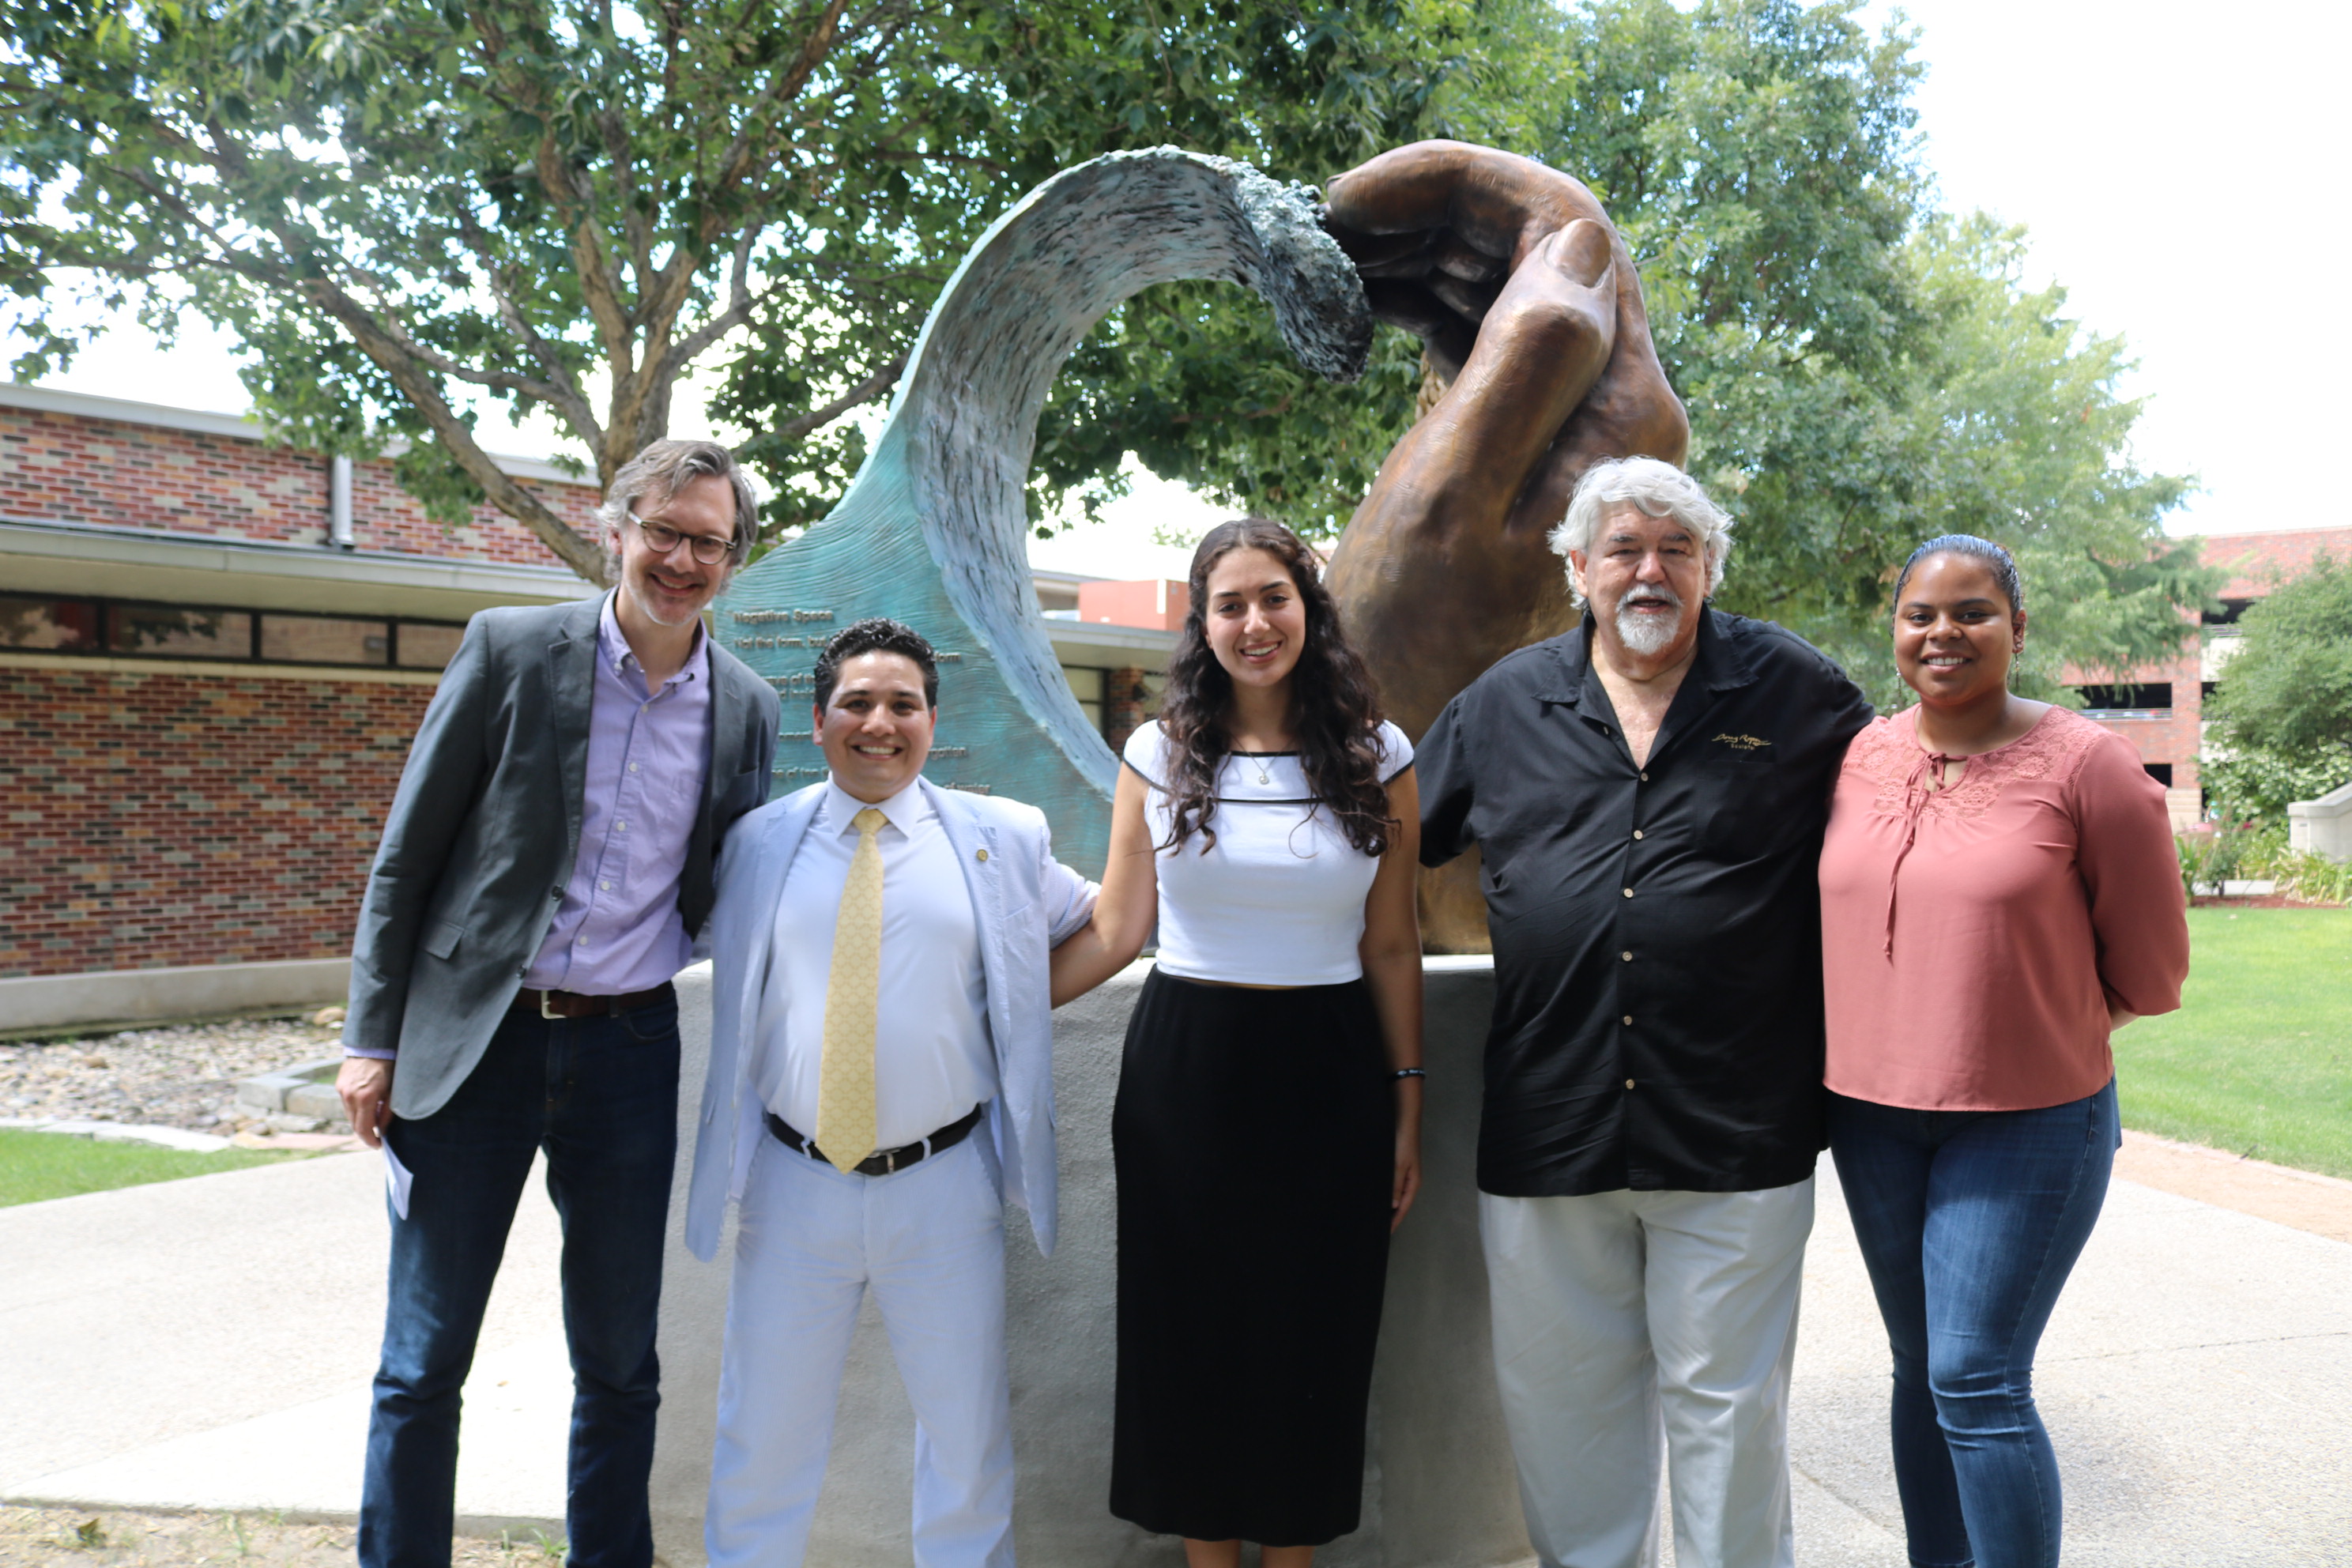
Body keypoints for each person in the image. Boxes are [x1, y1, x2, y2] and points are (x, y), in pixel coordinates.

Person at [1415, 457, 1875, 1568]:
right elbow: (1382, 844)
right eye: (1623, 548)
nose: (1649, 571)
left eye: (1677, 548)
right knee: (1567, 1422)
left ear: (1711, 566)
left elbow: (1909, 835)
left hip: (1736, 1130)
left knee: (1731, 1425)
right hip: (1552, 1124)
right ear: (1578, 568)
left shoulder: (1800, 694)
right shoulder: (1502, 704)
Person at [335, 439, 780, 1568]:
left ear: (736, 557)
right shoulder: (512, 649)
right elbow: (408, 858)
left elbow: (732, 881)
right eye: (665, 530)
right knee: (424, 1359)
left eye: (709, 542)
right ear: (615, 526)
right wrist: (369, 1038)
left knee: (622, 1363)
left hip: (629, 1050)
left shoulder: (750, 709)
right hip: (474, 1045)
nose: (683, 559)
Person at [1047, 516, 1426, 1568]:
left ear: (1310, 607)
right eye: (1230, 604)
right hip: (1188, 1077)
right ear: (1201, 623)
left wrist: (1408, 1102)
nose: (1255, 623)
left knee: (1317, 1332)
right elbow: (1119, 930)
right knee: (1191, 1337)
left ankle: (1294, 1557)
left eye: (1274, 598)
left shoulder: (1380, 756)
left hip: (1333, 1071)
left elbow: (1392, 946)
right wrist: (992, 1006)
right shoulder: (1157, 753)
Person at [683, 616, 1098, 1568]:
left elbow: (1102, 927)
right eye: (857, 703)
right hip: (795, 1181)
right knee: (763, 1435)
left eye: (902, 703)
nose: (881, 722)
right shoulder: (756, 843)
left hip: (945, 1182)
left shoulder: (1001, 835)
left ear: (931, 720)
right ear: (821, 722)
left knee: (964, 1439)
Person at [1817, 535, 2188, 1568]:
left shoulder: (2088, 768)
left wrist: (2021, 1021)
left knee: (1976, 1375)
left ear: (2017, 630)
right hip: (1871, 1118)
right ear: (1894, 633)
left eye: (1973, 612)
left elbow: (2152, 973)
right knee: (1918, 1366)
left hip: (2027, 1123)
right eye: (1920, 615)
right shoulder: (1858, 756)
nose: (1944, 633)